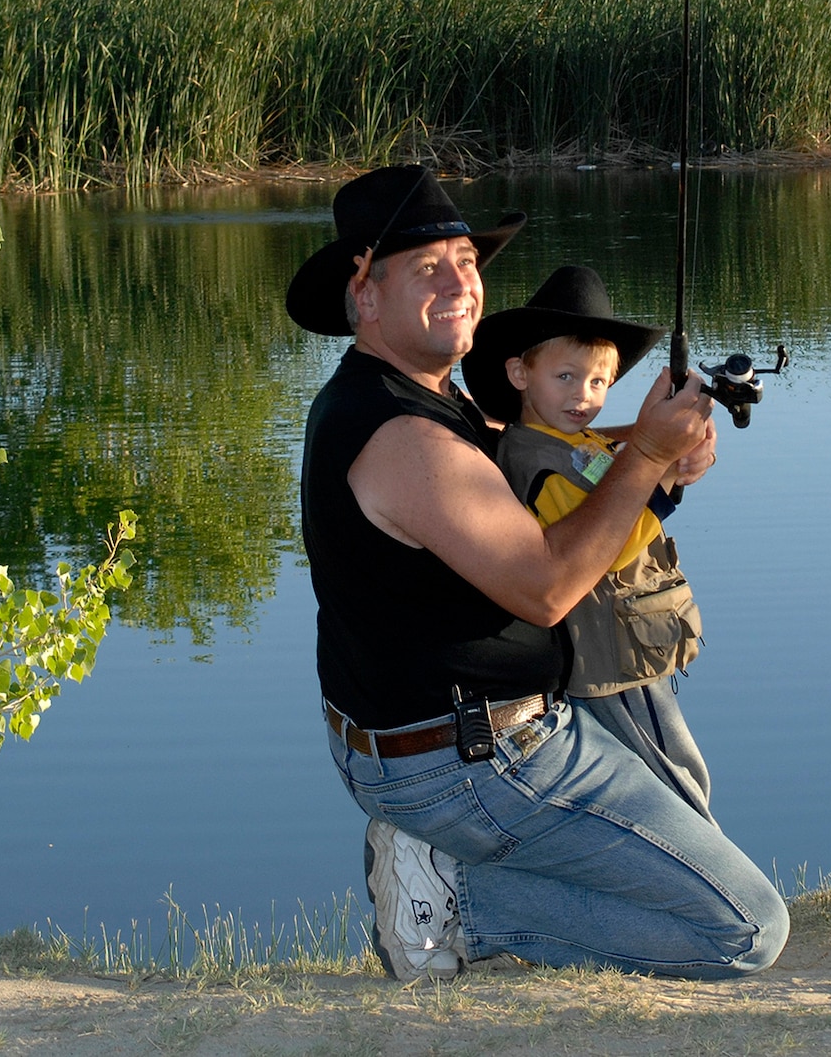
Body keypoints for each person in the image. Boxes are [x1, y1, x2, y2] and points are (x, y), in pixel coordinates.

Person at [289, 165, 788, 982]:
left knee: (687, 811)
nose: (461, 283)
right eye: (427, 268)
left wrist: (651, 438)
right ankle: (454, 901)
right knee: (744, 927)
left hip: (449, 738)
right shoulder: (406, 442)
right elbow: (548, 583)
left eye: (466, 261)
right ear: (364, 296)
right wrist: (652, 457)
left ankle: (446, 860)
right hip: (471, 761)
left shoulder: (415, 397)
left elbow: (534, 444)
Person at [460, 264, 714, 822]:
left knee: (674, 776)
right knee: (674, 786)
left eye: (599, 382)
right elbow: (600, 556)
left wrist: (671, 450)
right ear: (519, 373)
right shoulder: (534, 460)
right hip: (612, 668)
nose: (585, 396)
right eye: (567, 377)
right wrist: (660, 481)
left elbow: (620, 471)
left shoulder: (577, 442)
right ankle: (707, 878)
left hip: (630, 653)